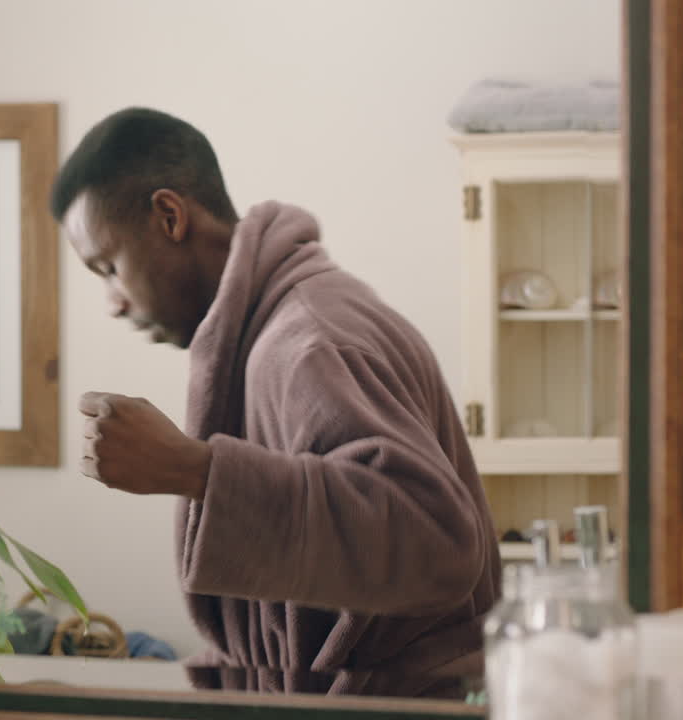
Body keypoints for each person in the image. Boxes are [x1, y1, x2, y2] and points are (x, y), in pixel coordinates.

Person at [52, 106, 500, 699]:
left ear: (169, 215)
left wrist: (195, 469)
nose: (112, 302)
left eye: (108, 266)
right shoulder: (277, 329)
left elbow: (435, 541)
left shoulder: (309, 340)